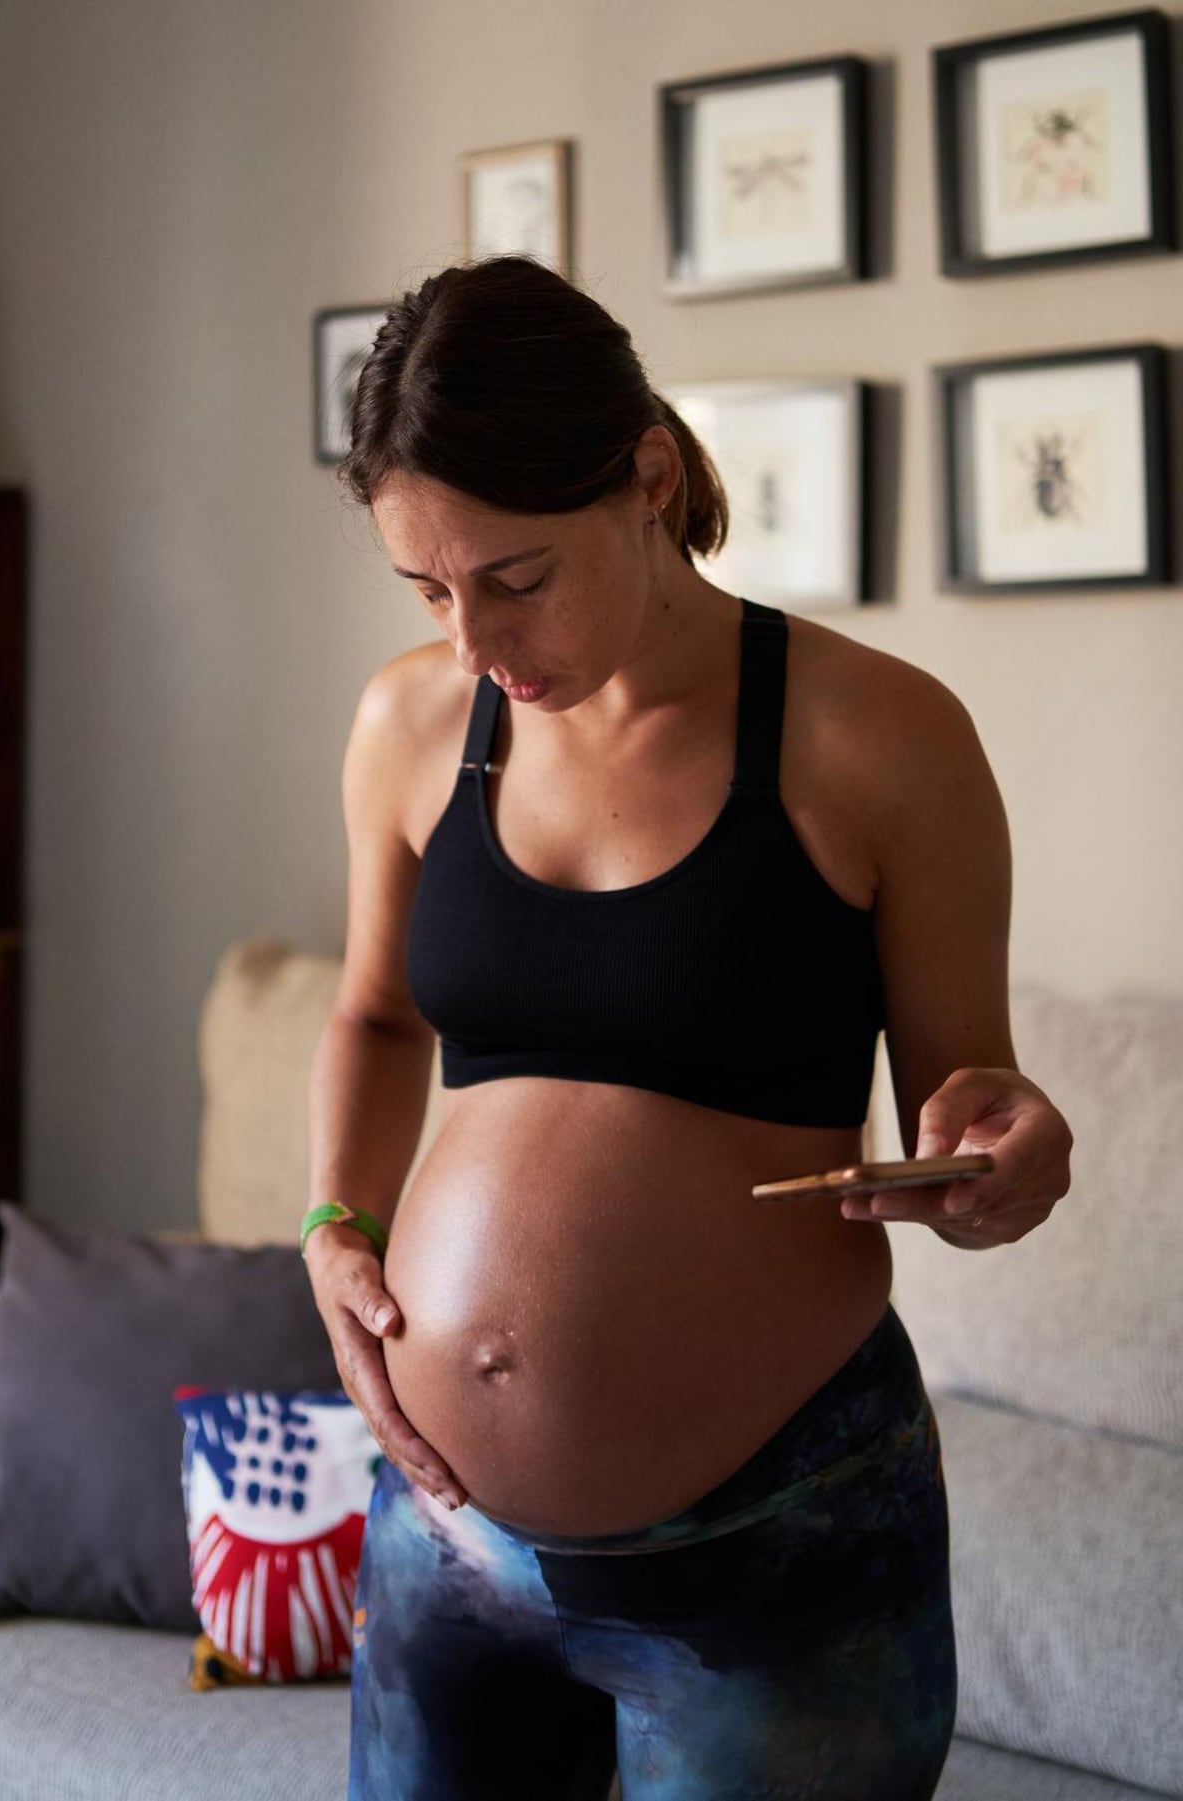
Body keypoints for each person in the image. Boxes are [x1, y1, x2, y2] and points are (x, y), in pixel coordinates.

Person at [302, 254, 1073, 1801]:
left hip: (778, 1553)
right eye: (427, 589)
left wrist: (1005, 1153)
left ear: (647, 474)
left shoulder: (880, 736)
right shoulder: (407, 725)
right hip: (447, 1546)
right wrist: (334, 1224)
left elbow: (967, 1107)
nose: (473, 643)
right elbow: (377, 1015)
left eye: (513, 577)